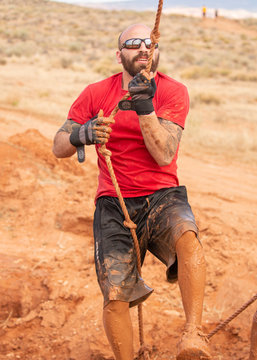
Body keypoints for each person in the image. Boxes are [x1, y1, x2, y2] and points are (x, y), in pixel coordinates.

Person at [52, 23, 211, 360]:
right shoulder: (96, 92)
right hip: (114, 201)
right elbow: (58, 146)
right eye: (132, 43)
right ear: (119, 54)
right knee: (115, 293)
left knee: (188, 239)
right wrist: (82, 134)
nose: (142, 48)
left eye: (148, 42)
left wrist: (145, 108)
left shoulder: (172, 90)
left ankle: (193, 335)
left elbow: (164, 152)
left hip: (163, 194)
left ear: (156, 50)